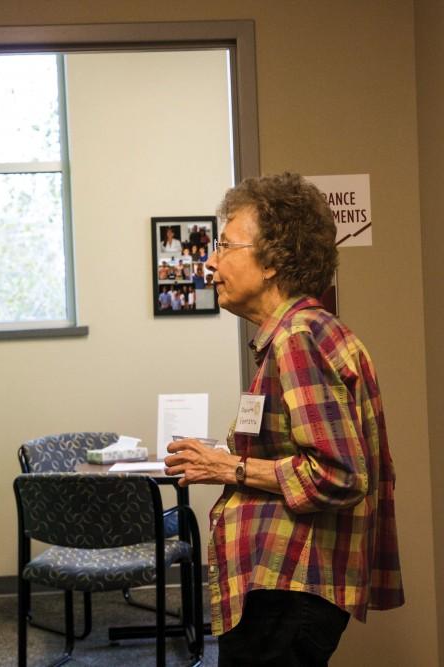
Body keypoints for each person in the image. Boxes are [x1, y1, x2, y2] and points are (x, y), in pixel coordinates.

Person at [164, 173, 404, 666]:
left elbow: (339, 474)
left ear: (272, 260)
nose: (211, 261)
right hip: (289, 583)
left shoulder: (298, 338)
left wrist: (225, 467)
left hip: (290, 585)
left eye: (226, 245)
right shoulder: (305, 333)